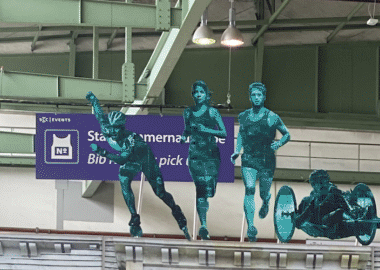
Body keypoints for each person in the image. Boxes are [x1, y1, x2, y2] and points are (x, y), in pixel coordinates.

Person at [88, 92, 190, 239]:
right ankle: (134, 218)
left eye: (117, 128)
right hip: (130, 160)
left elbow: (122, 160)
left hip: (145, 160)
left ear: (122, 127)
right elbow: (99, 116)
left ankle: (176, 211)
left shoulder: (132, 140)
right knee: (123, 178)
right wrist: (94, 100)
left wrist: (101, 152)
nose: (114, 132)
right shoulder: (108, 130)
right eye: (112, 128)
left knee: (160, 193)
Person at [232, 81, 291, 242]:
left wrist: (279, 143)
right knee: (250, 188)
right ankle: (251, 226)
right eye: (253, 95)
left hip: (266, 160)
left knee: (263, 191)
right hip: (249, 158)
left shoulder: (272, 117)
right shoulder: (243, 116)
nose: (256, 98)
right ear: (250, 97)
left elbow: (287, 134)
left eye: (259, 95)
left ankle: (266, 200)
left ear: (264, 97)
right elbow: (241, 135)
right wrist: (237, 151)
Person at [182, 80, 228, 239]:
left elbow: (223, 133)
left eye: (201, 92)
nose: (198, 95)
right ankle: (203, 225)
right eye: (195, 92)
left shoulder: (213, 112)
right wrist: (183, 137)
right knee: (200, 189)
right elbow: (187, 130)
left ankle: (209, 192)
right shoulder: (187, 112)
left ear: (206, 94)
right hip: (195, 154)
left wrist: (206, 130)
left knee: (210, 190)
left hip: (211, 154)